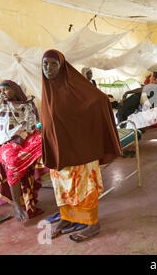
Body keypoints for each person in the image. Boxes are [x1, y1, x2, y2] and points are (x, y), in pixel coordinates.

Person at [41, 49, 122, 242]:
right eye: (45, 64)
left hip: (80, 151)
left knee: (83, 187)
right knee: (62, 186)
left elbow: (99, 100)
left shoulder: (74, 86)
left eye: (54, 64)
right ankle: (68, 218)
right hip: (60, 150)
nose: (49, 68)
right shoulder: (47, 89)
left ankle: (93, 224)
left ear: (62, 67)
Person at [0, 80, 44, 222]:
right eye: (1, 90)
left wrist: (24, 137)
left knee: (44, 142)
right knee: (12, 160)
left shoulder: (26, 106)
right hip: (5, 141)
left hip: (24, 137)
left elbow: (32, 125)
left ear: (15, 90)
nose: (2, 93)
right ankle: (17, 203)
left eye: (5, 89)